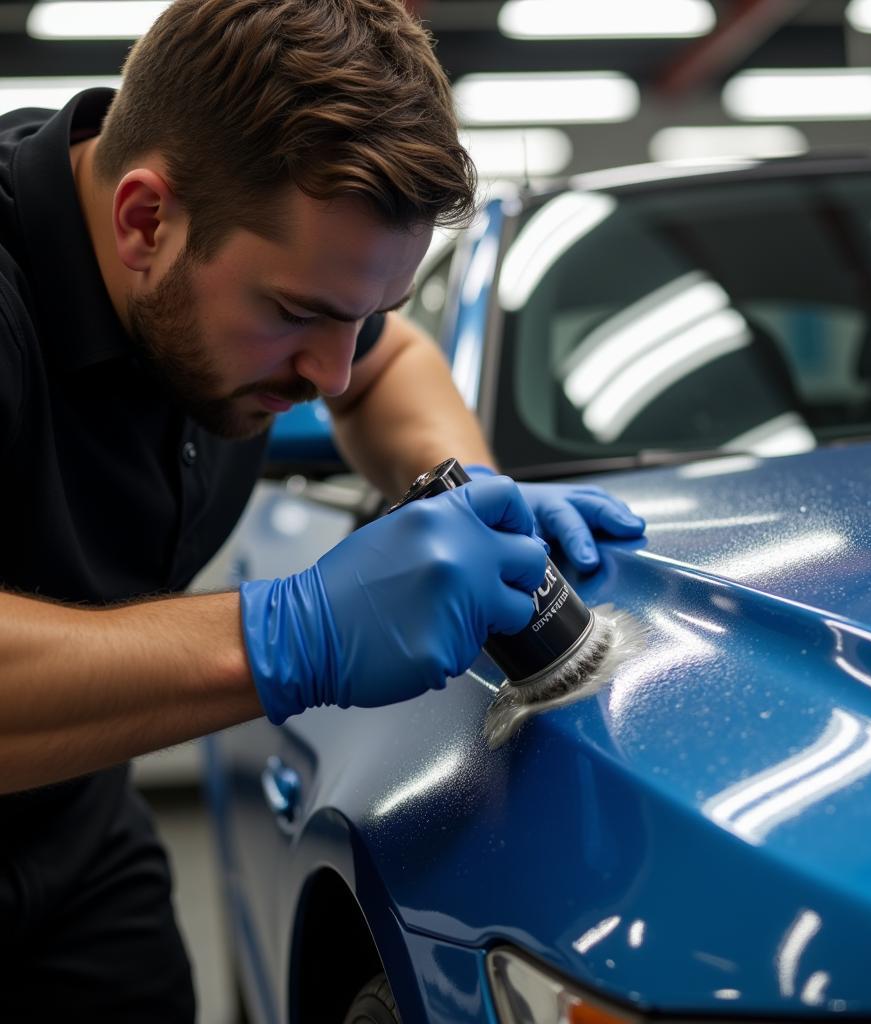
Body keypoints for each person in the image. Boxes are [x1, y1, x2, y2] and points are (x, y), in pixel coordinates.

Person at [0, 0, 645, 1015]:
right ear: (143, 220)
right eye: (297, 314)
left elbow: (383, 369)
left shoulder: (255, 283)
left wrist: (466, 491)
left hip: (73, 833)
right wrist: (287, 636)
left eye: (364, 311)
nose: (326, 370)